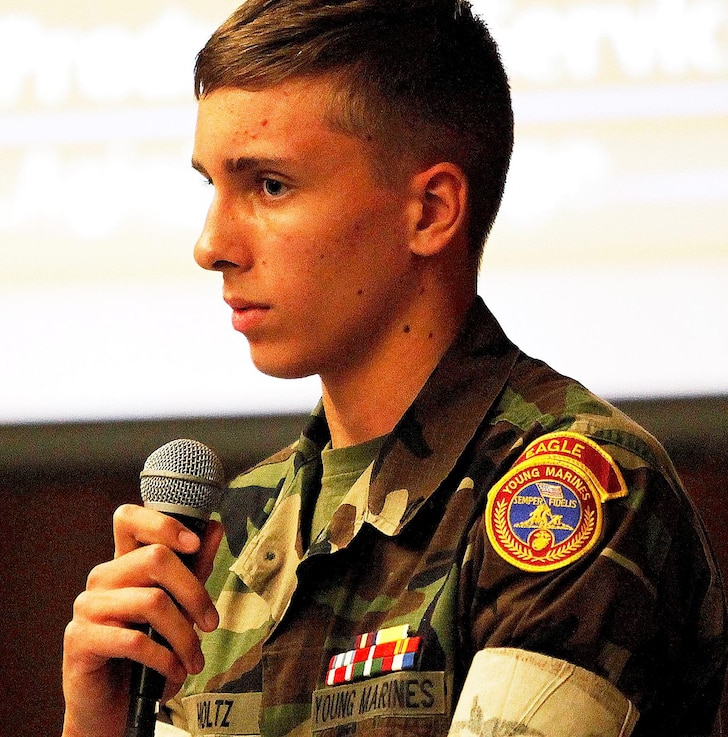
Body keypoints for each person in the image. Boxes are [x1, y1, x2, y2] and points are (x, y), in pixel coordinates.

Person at [61, 0, 728, 735]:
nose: (212, 242)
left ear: (431, 210)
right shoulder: (232, 534)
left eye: (270, 186)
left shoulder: (567, 495)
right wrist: (96, 728)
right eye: (211, 186)